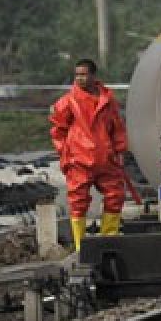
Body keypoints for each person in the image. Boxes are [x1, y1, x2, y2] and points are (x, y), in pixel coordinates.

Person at [49, 58, 129, 251]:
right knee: (78, 201)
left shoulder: (108, 101)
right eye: (77, 75)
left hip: (105, 159)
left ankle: (109, 239)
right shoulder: (67, 102)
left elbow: (117, 128)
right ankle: (80, 246)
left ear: (94, 76)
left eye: (84, 74)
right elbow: (58, 130)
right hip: (79, 160)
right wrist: (66, 154)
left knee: (115, 196)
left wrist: (119, 151)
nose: (80, 79)